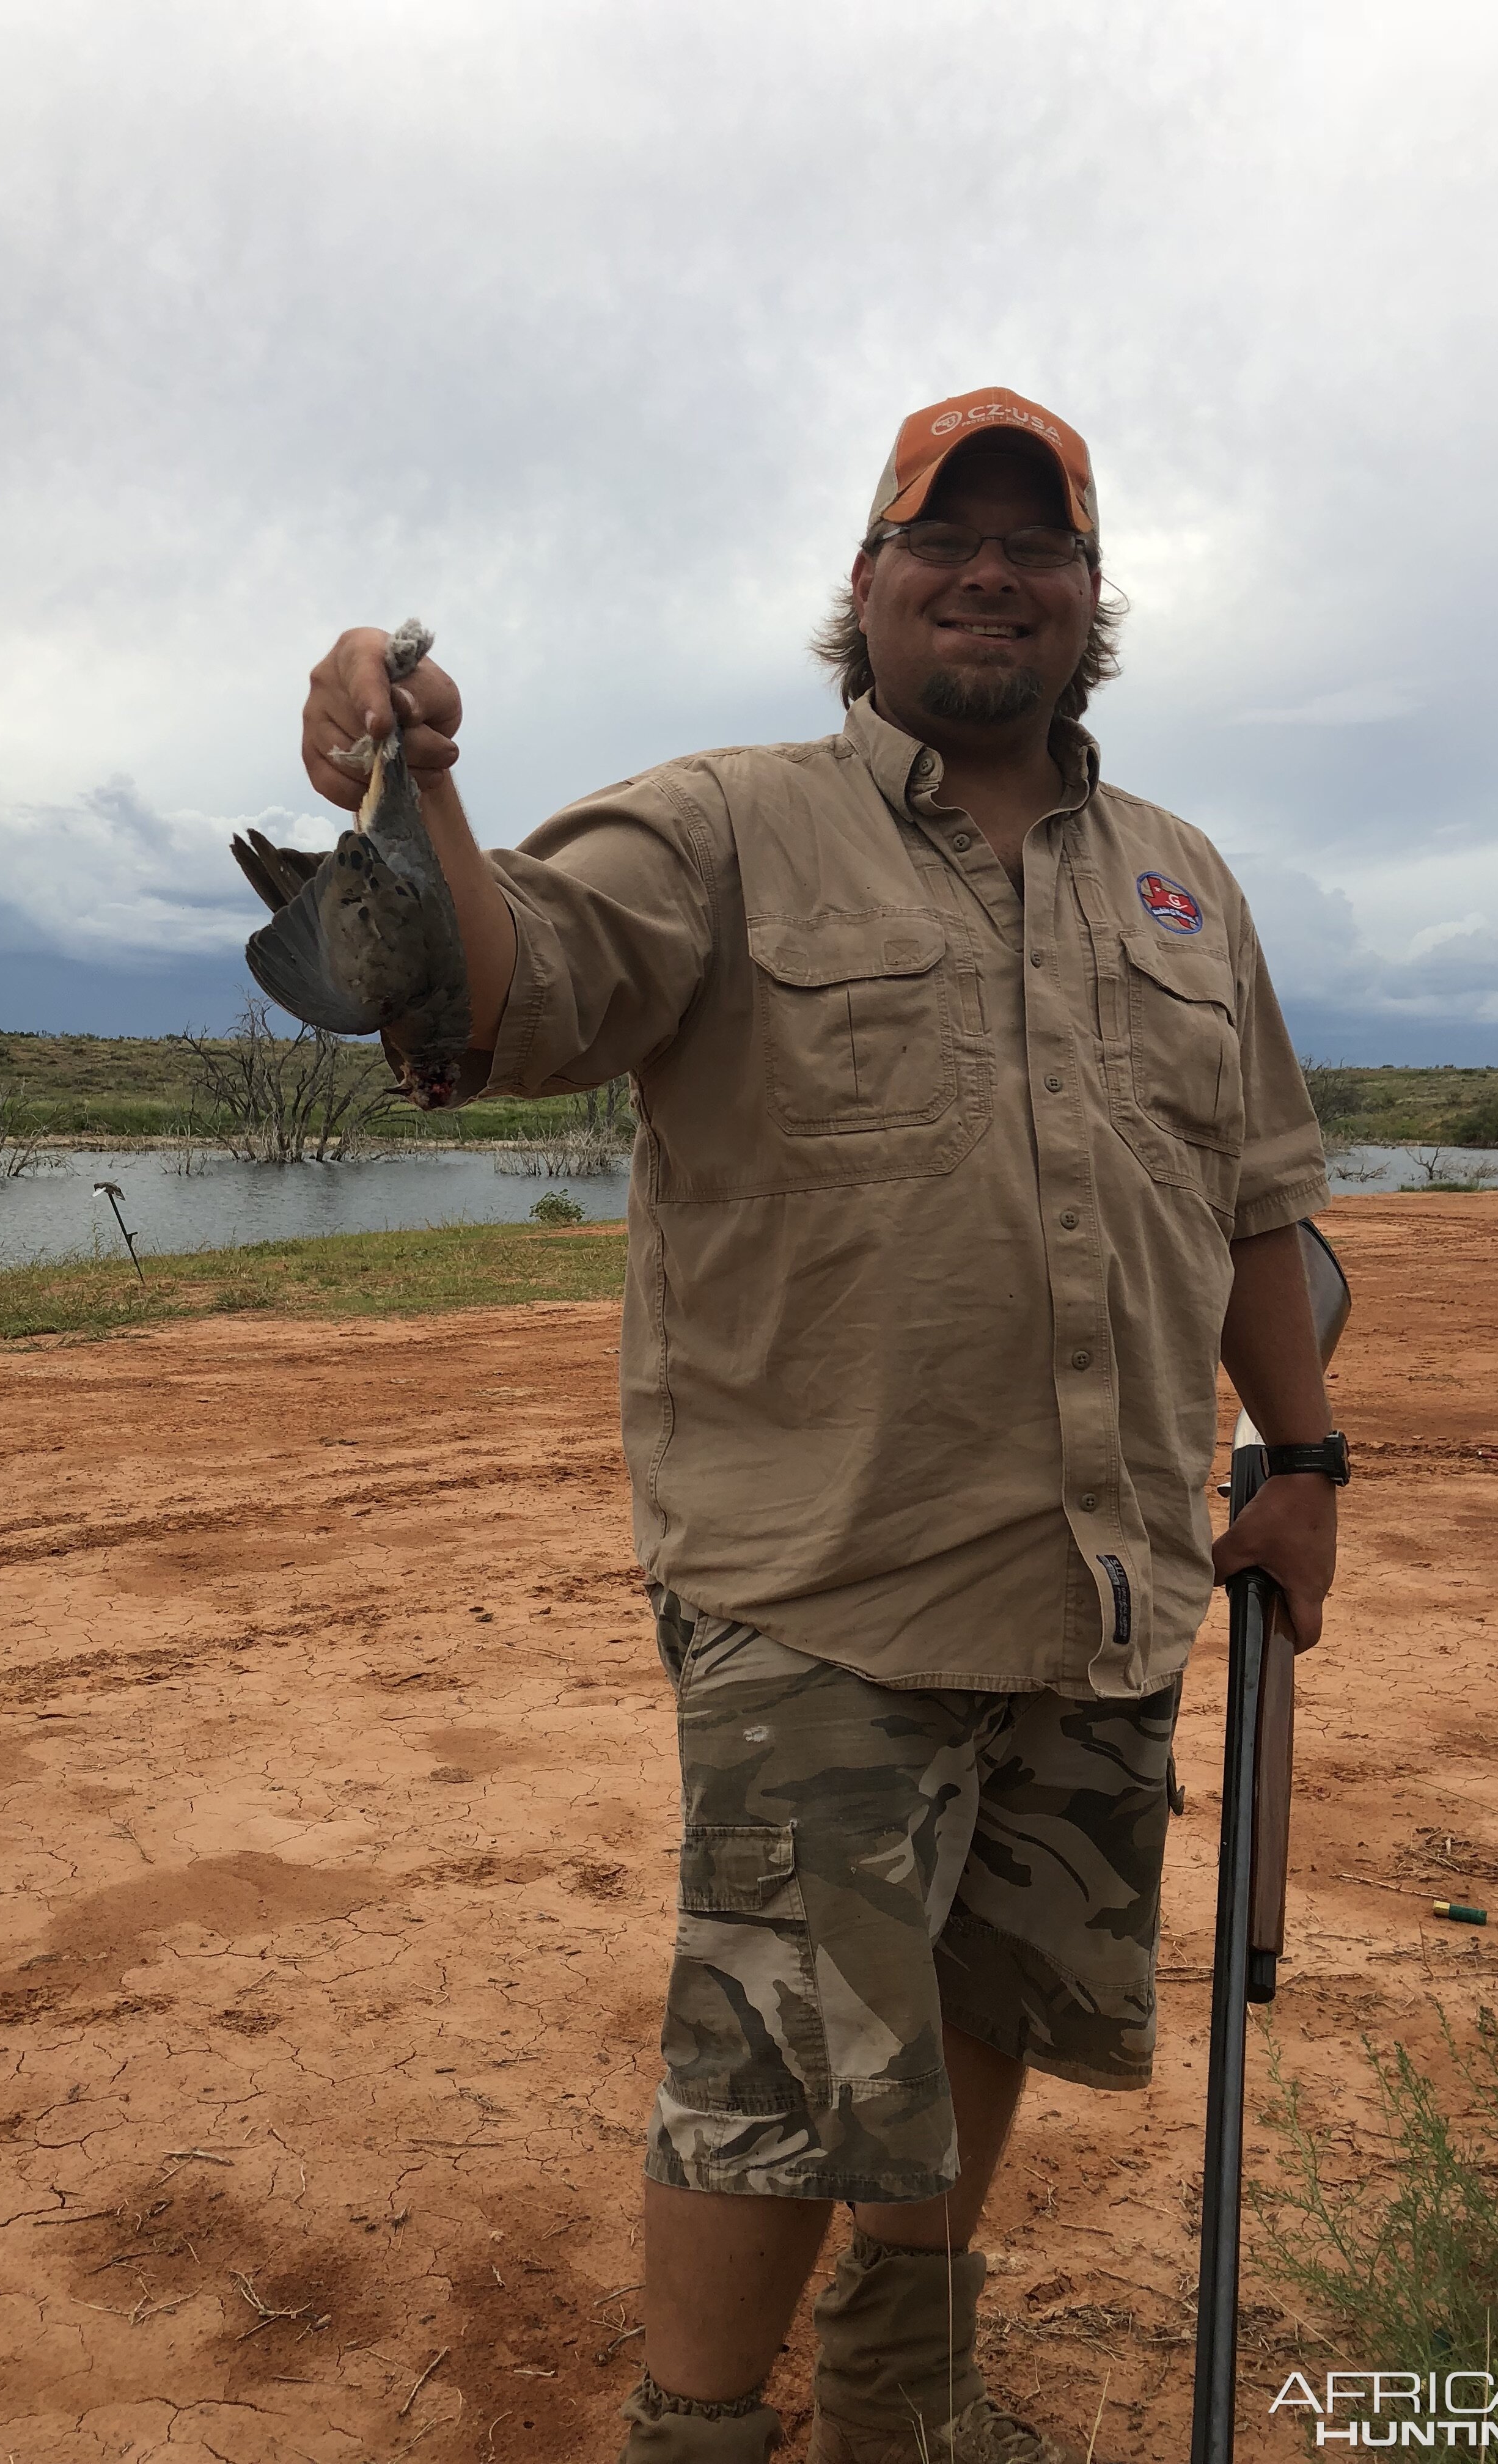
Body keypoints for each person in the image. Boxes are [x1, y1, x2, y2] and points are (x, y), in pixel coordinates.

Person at [300, 387, 1343, 2464]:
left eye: (1034, 546)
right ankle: (693, 2430)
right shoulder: (724, 824)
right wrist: (415, 785)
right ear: (862, 592)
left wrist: (1304, 1462)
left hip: (1105, 1584)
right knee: (775, 2071)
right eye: (938, 543)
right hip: (823, 1594)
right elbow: (502, 994)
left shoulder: (1184, 886)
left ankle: (901, 2391)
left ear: (1089, 598)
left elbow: (1254, 1205)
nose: (989, 574)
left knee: (983, 2004)